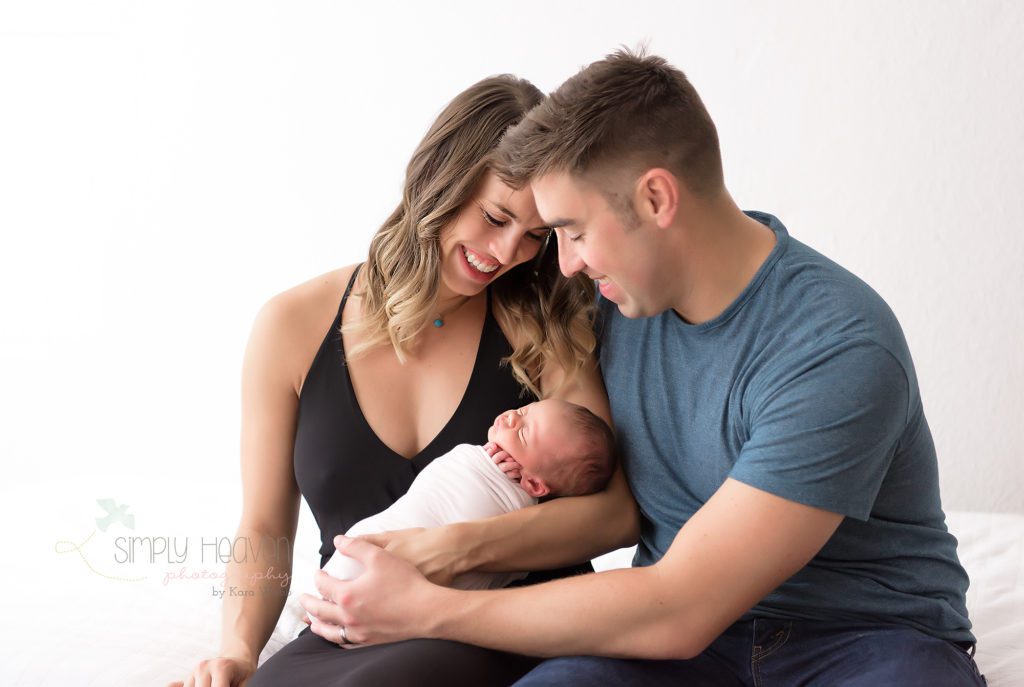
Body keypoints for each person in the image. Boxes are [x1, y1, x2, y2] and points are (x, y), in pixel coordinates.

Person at [305, 50, 987, 686]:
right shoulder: (605, 305)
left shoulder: (837, 343)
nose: (562, 260)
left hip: (862, 640)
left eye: (570, 230)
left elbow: (681, 607)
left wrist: (424, 607)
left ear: (657, 199)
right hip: (676, 651)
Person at [173, 74, 640, 687]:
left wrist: (453, 552)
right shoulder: (291, 326)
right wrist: (237, 649)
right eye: (496, 217)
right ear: (438, 180)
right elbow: (263, 524)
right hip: (351, 623)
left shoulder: (541, 324)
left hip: (510, 616)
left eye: (534, 235)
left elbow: (616, 513)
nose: (507, 253)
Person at [320, 399, 617, 591]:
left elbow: (509, 563)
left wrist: (497, 476)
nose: (513, 417)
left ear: (536, 486)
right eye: (525, 410)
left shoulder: (519, 512)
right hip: (363, 549)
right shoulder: (480, 461)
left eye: (524, 434)